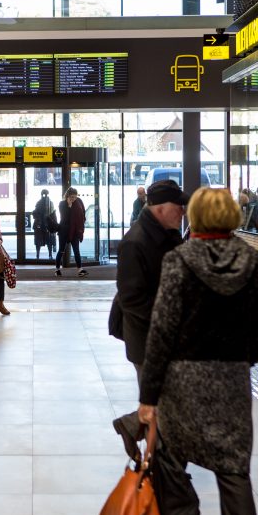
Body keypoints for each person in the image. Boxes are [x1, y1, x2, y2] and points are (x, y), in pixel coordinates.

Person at [137, 187, 258, 515]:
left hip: (182, 387)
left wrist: (148, 397)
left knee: (170, 466)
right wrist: (237, 361)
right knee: (234, 472)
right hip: (231, 384)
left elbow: (161, 333)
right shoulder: (254, 261)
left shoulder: (179, 260)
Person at [111, 179, 187, 461]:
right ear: (161, 208)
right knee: (161, 402)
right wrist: (165, 321)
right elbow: (131, 299)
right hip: (146, 338)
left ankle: (138, 432)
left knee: (167, 400)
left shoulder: (169, 235)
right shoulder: (135, 242)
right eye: (178, 206)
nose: (182, 211)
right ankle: (160, 467)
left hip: (169, 336)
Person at [54, 187, 87, 277]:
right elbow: (64, 218)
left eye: (75, 197)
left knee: (76, 251)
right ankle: (57, 269)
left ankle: (80, 270)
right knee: (61, 250)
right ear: (67, 196)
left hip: (74, 230)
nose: (73, 199)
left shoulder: (78, 202)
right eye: (71, 197)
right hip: (64, 231)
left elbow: (82, 214)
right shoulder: (62, 204)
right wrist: (69, 207)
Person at [32, 189, 56, 260]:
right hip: (40, 224)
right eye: (43, 194)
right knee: (38, 241)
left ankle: (50, 255)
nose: (45, 196)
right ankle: (38, 255)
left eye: (46, 194)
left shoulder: (50, 203)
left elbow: (53, 213)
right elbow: (35, 213)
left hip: (47, 224)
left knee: (49, 242)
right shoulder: (39, 203)